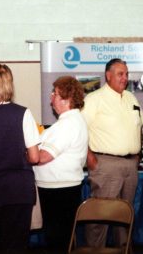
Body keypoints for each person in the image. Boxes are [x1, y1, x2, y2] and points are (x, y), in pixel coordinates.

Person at [82, 58, 143, 247]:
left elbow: (140, 124)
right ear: (108, 76)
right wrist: (90, 158)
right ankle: (94, 251)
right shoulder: (94, 99)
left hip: (130, 165)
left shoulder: (131, 98)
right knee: (100, 215)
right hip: (105, 164)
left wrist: (137, 154)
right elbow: (79, 130)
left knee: (125, 215)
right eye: (120, 74)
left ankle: (124, 250)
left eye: (126, 74)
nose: (125, 78)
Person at [33, 76, 88, 250]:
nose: (51, 97)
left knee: (58, 242)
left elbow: (41, 158)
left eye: (55, 93)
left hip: (58, 191)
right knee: (61, 240)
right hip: (60, 189)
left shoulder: (67, 125)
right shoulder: (69, 122)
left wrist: (24, 152)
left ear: (66, 99)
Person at [0, 63, 40, 252]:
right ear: (9, 84)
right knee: (15, 245)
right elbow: (35, 157)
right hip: (18, 191)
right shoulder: (23, 113)